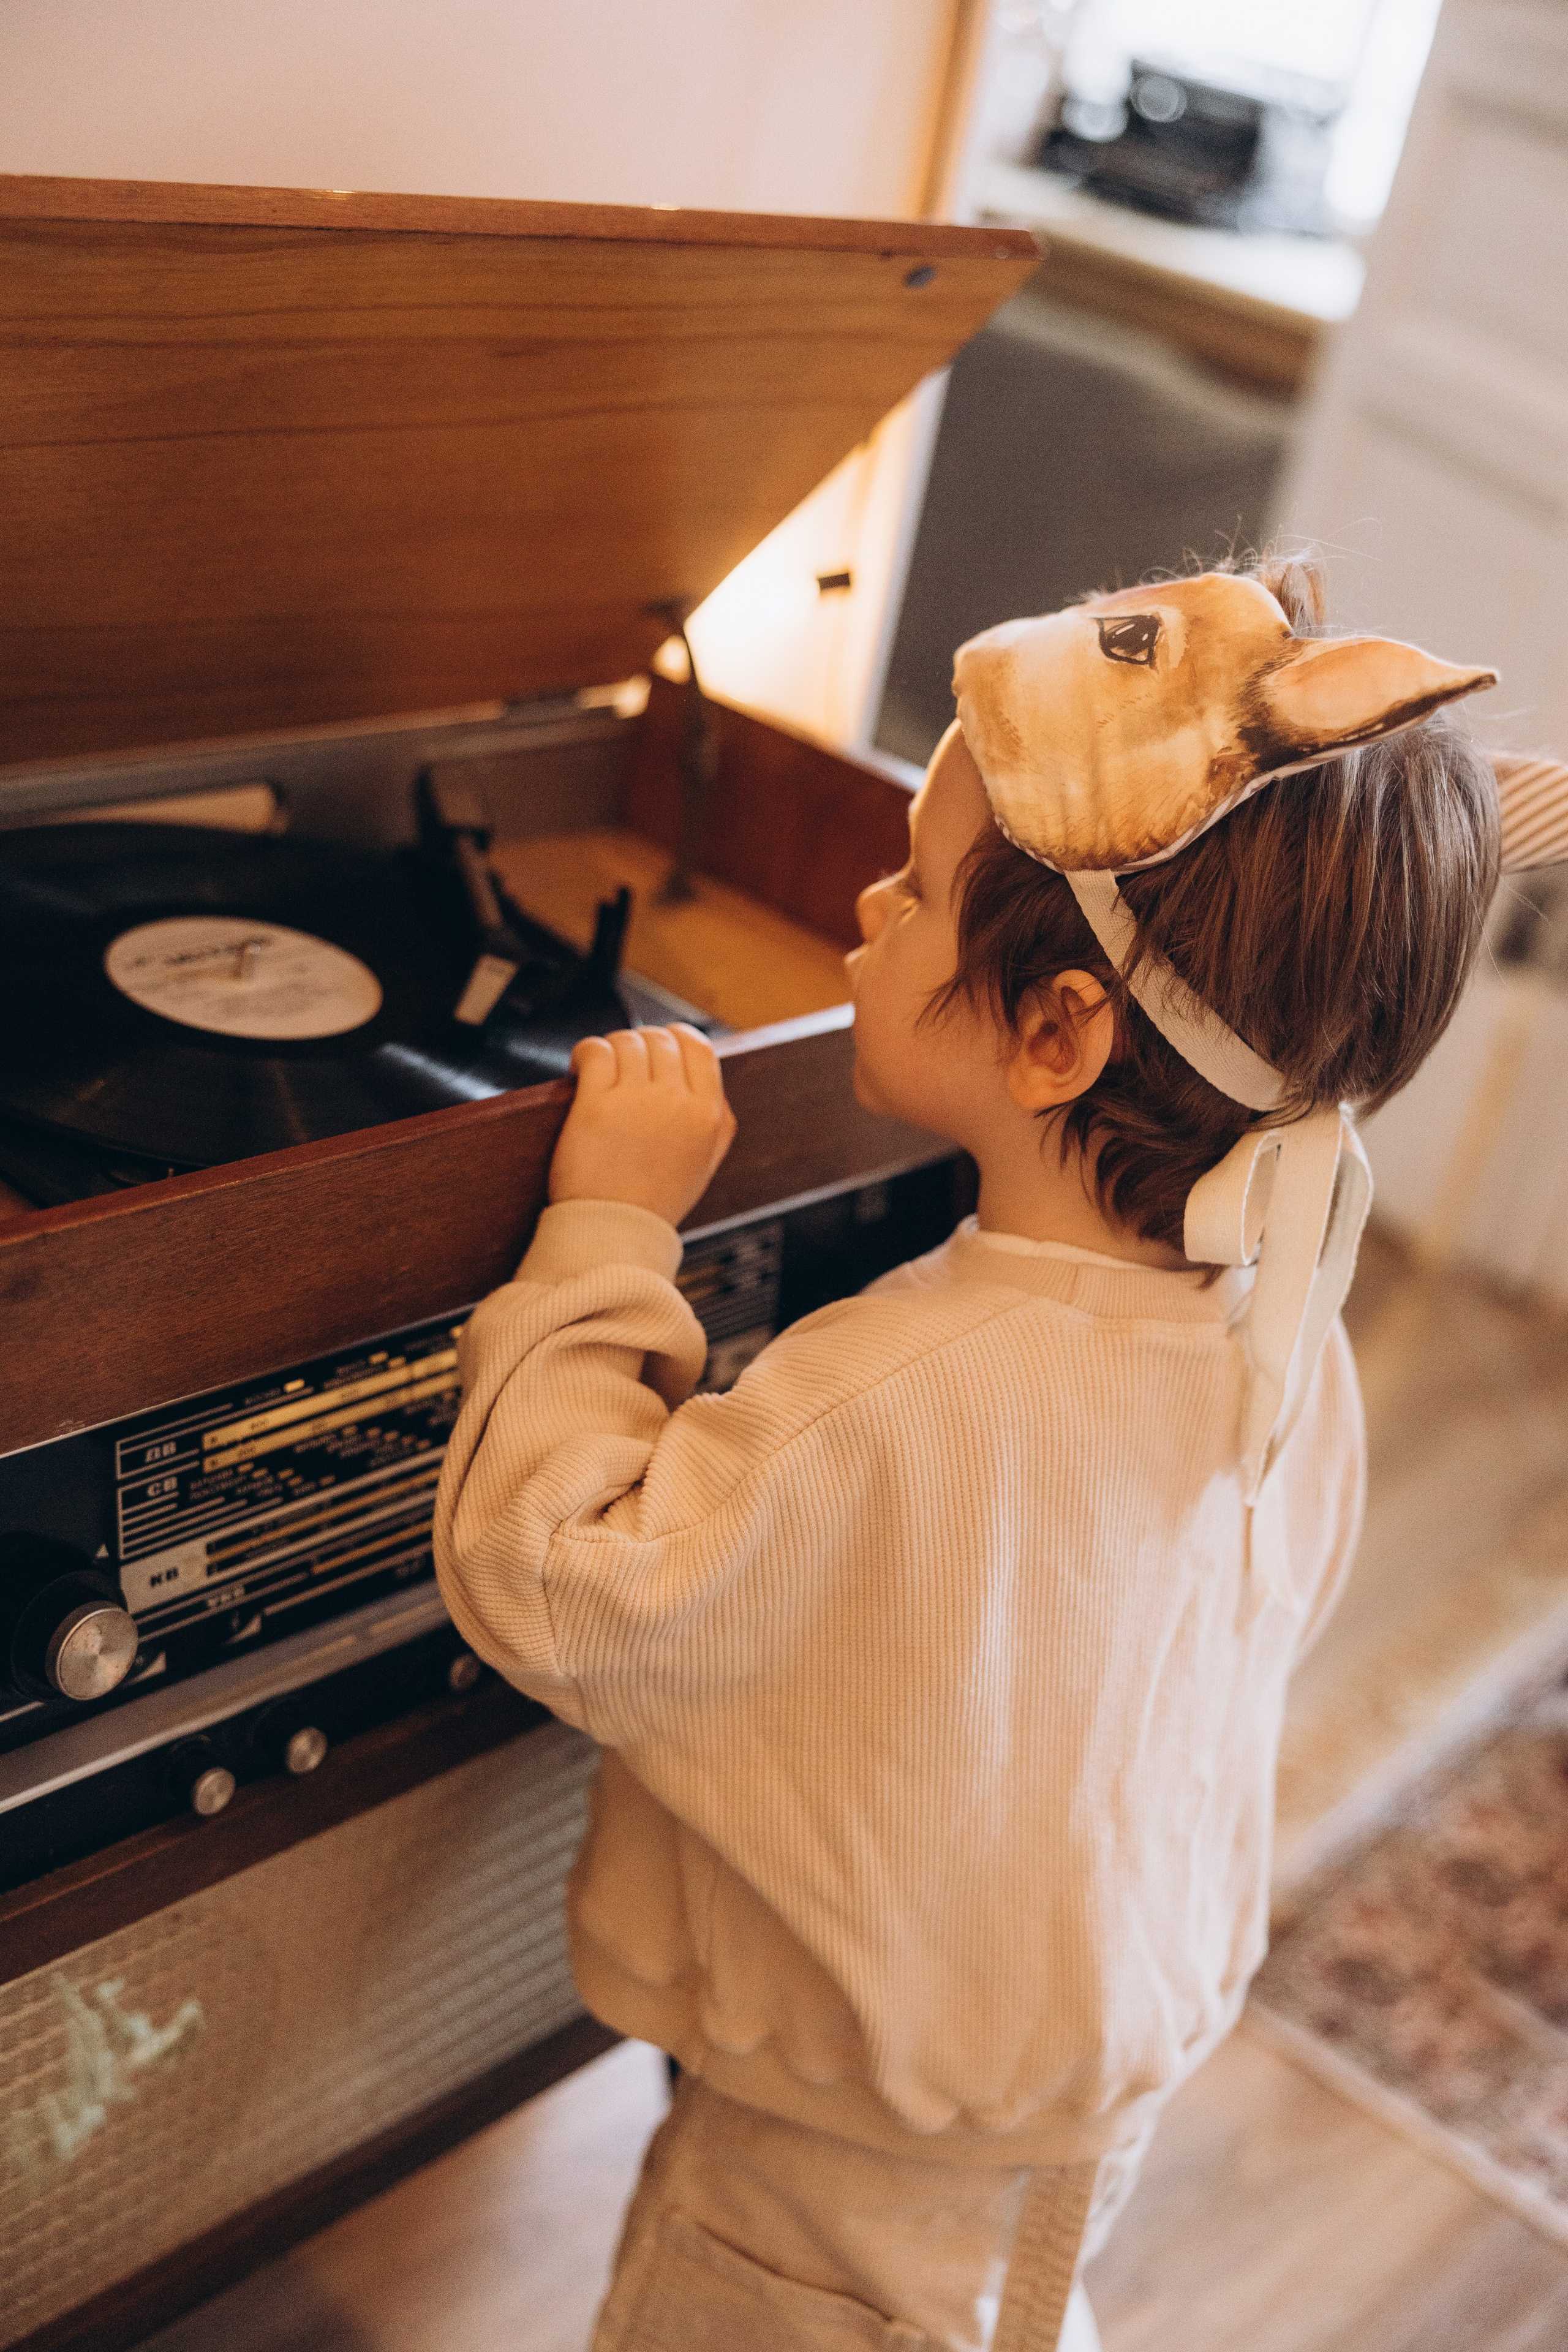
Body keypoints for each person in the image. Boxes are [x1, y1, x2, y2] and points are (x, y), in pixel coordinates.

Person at [432, 555, 1507, 2351]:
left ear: (1057, 1031)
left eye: (916, 888)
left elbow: (549, 1579)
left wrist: (610, 1230)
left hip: (834, 2165)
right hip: (1076, 2106)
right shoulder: (1290, 1333)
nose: (869, 901)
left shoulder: (894, 1393)